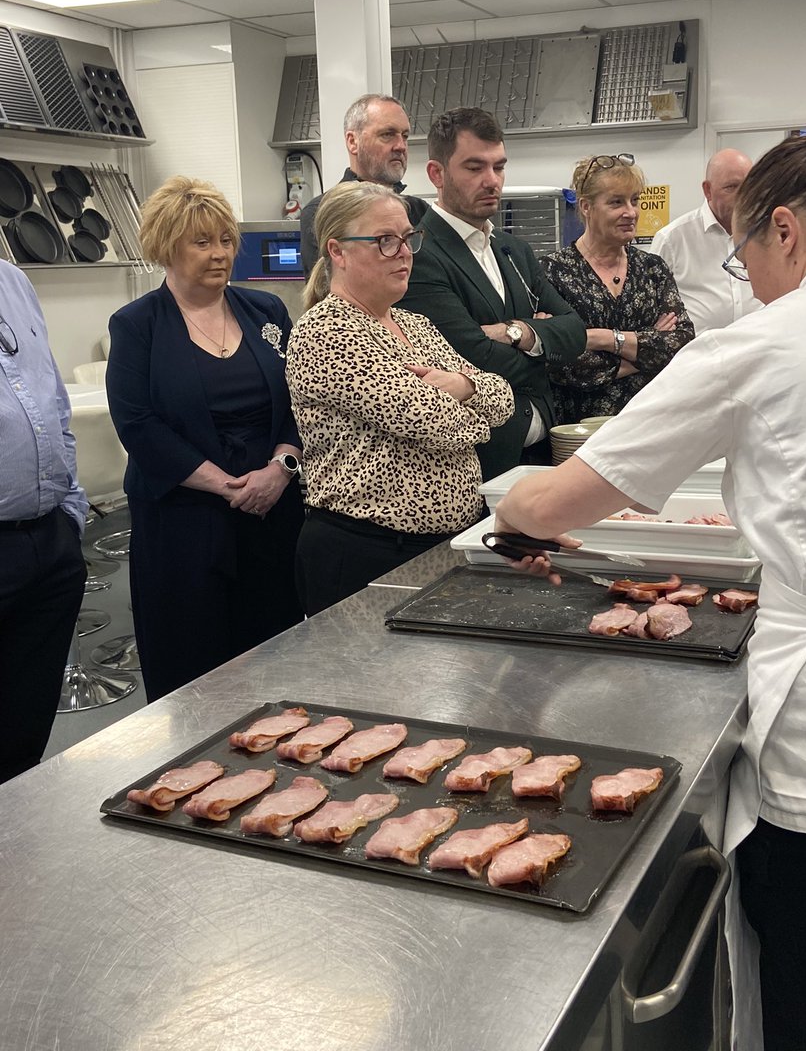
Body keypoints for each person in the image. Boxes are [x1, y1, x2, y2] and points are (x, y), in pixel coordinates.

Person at [493, 102, 806, 1051]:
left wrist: (511, 507)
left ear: (786, 230)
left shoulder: (764, 342)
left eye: (745, 253)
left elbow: (560, 505)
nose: (746, 277)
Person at [106, 177, 304, 702]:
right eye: (202, 242)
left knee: (276, 658)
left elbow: (297, 405)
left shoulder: (266, 312)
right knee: (192, 667)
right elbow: (137, 425)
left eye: (226, 240)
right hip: (184, 520)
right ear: (166, 247)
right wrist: (227, 487)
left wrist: (279, 470)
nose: (220, 254)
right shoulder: (136, 325)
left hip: (271, 513)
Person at [288, 180, 513, 616]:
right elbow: (434, 422)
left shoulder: (416, 325)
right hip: (365, 551)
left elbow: (502, 396)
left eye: (408, 238)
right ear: (337, 251)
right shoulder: (328, 331)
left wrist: (465, 386)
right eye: (385, 241)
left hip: (442, 546)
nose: (405, 252)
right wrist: (471, 407)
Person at [398, 106, 586, 480]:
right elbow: (473, 357)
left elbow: (575, 331)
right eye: (474, 167)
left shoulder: (513, 250)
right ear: (437, 173)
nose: (492, 180)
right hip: (480, 460)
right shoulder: (419, 254)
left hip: (541, 450)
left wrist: (516, 332)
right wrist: (544, 347)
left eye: (498, 167)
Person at [0, 260, 87, 783]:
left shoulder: (12, 280)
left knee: (23, 728)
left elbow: (51, 402)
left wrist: (71, 509)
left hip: (48, 539)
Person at [542, 153, 694, 424]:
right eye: (616, 202)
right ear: (586, 207)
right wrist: (646, 346)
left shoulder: (652, 269)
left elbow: (681, 344)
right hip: (578, 431)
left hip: (650, 422)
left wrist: (603, 339)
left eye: (634, 200)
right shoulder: (553, 271)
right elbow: (557, 361)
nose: (631, 212)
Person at [299, 93, 428, 274]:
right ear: (353, 142)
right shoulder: (322, 212)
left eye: (405, 136)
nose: (400, 146)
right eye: (387, 134)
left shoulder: (419, 211)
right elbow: (325, 291)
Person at [650, 148, 761, 334]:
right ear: (708, 190)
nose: (743, 197)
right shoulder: (672, 239)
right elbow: (649, 306)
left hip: (759, 352)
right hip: (698, 355)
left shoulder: (766, 232)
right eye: (732, 187)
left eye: (749, 186)